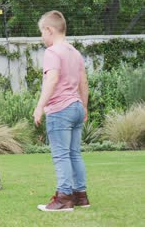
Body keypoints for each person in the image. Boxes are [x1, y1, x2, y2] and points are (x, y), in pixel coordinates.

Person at [33, 11, 90, 212]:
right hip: (75, 106)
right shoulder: (74, 52)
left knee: (61, 155)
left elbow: (52, 79)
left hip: (59, 109)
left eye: (42, 32)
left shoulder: (52, 52)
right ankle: (80, 196)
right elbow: (83, 81)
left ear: (49, 30)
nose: (42, 37)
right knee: (74, 153)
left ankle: (64, 198)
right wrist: (84, 106)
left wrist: (40, 106)